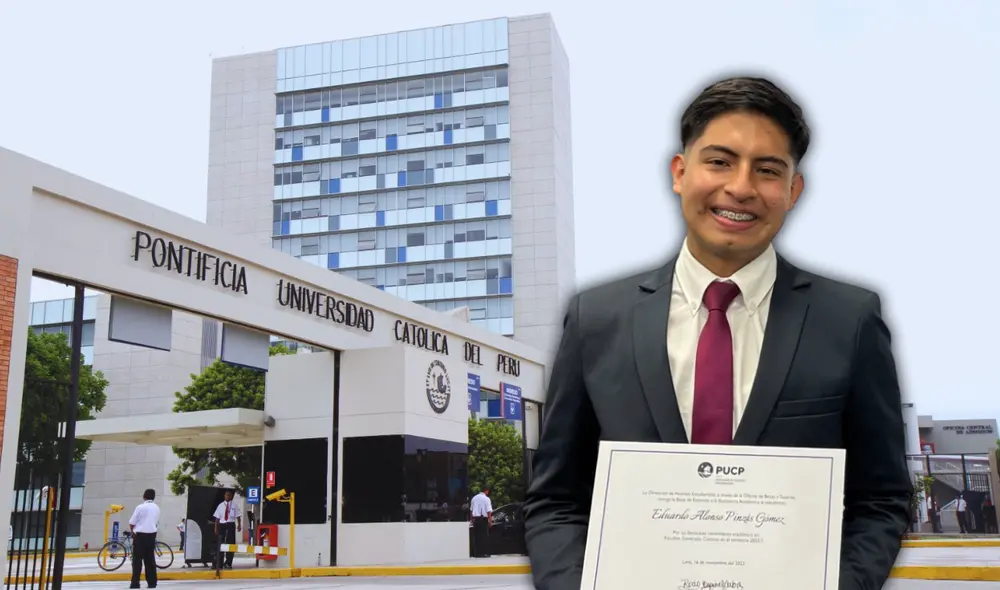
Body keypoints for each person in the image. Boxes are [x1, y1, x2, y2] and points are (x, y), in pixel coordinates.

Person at [522, 75, 912, 590]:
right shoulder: (596, 318)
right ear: (680, 173)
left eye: (767, 170)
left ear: (793, 191)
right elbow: (556, 501)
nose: (742, 187)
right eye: (720, 161)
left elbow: (881, 498)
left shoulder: (850, 320)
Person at [127, 489, 160, 589]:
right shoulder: (157, 508)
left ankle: (135, 583)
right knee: (150, 560)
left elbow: (132, 522)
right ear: (154, 497)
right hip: (152, 536)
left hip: (140, 536)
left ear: (144, 496)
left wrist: (132, 532)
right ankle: (152, 583)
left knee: (137, 561)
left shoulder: (140, 507)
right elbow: (156, 522)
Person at [214, 490, 242, 569]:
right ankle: (219, 563)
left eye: (229, 495)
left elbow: (238, 516)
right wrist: (216, 528)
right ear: (224, 496)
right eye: (226, 495)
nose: (227, 497)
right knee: (221, 544)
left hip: (231, 524)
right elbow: (217, 519)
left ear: (231, 496)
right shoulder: (220, 505)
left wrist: (239, 525)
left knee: (231, 543)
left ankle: (228, 563)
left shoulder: (234, 505)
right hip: (222, 525)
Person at [469, 486, 493, 558]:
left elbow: (471, 510)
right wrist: (490, 521)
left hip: (476, 519)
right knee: (484, 536)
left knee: (477, 537)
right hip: (483, 519)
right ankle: (484, 553)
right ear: (486, 491)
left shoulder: (474, 498)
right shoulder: (486, 499)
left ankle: (477, 553)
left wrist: (472, 520)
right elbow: (488, 511)